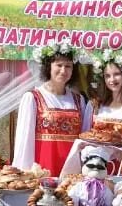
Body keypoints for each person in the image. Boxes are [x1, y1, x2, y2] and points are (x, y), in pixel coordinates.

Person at [61, 52, 122, 178]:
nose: (112, 80)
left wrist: (116, 151)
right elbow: (85, 136)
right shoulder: (94, 105)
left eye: (116, 74)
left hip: (121, 173)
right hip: (92, 168)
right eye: (107, 76)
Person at [11, 44, 91, 175]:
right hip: (43, 168)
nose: (63, 70)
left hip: (72, 170)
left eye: (68, 66)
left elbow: (84, 138)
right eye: (59, 65)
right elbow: (24, 140)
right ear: (49, 67)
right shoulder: (33, 98)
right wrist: (24, 173)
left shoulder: (79, 100)